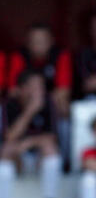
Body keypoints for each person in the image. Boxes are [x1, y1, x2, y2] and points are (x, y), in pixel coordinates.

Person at [7, 23, 73, 169]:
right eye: (34, 41)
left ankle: (66, 160)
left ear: (51, 41)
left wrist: (40, 97)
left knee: (63, 104)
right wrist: (31, 100)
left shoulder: (60, 55)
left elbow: (63, 91)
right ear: (27, 42)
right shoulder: (20, 55)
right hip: (23, 105)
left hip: (51, 103)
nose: (38, 45)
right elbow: (13, 91)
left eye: (42, 41)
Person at [0, 70, 62, 198]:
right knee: (6, 150)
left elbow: (52, 138)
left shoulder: (48, 103)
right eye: (34, 87)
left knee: (50, 150)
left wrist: (29, 142)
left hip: (39, 158)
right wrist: (30, 110)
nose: (38, 92)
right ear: (21, 88)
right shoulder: (10, 104)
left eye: (40, 87)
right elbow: (9, 137)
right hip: (18, 159)